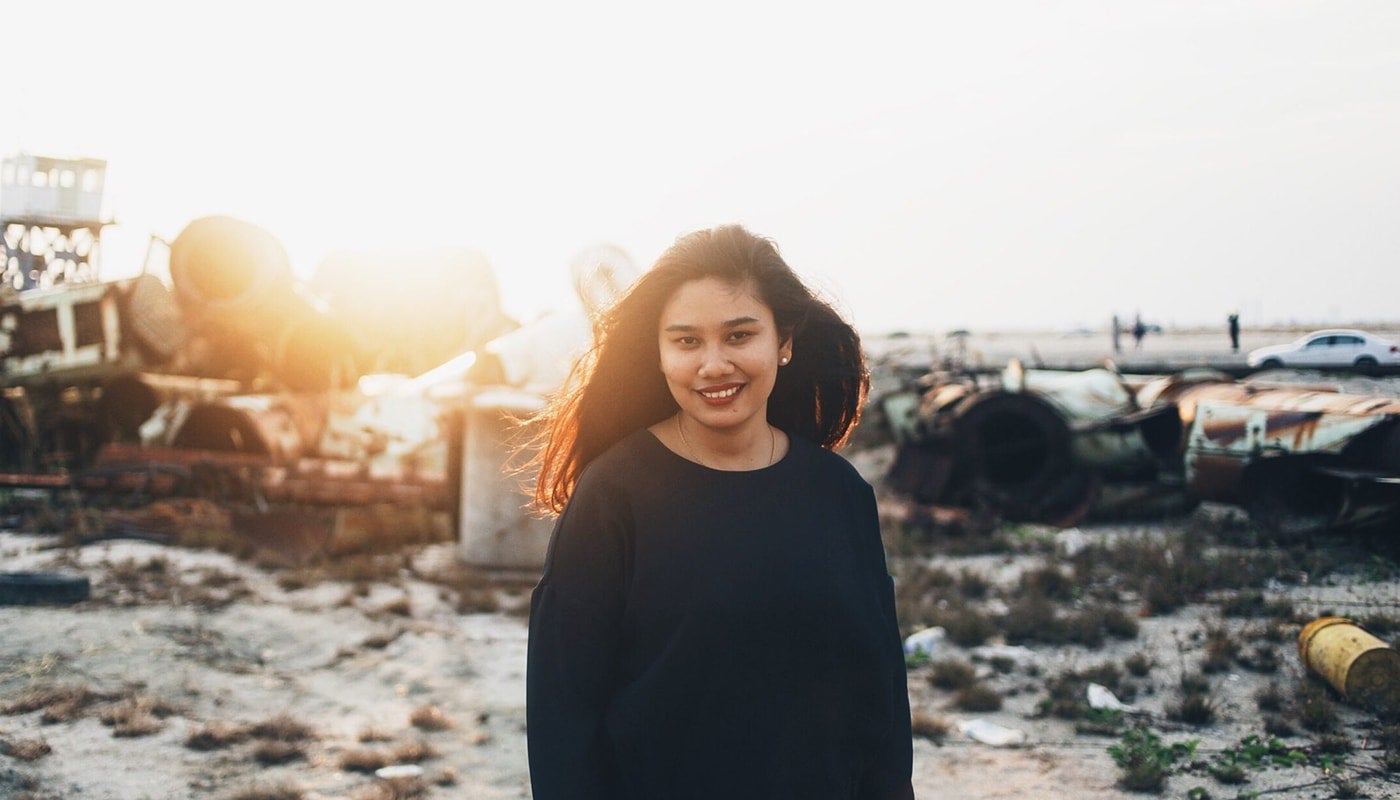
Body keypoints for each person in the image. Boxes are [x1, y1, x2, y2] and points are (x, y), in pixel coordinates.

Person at [525, 224, 914, 799]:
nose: (713, 364)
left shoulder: (839, 493)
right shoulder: (615, 496)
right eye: (686, 341)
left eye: (739, 336)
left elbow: (879, 688)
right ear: (657, 353)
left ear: (784, 341)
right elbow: (564, 711)